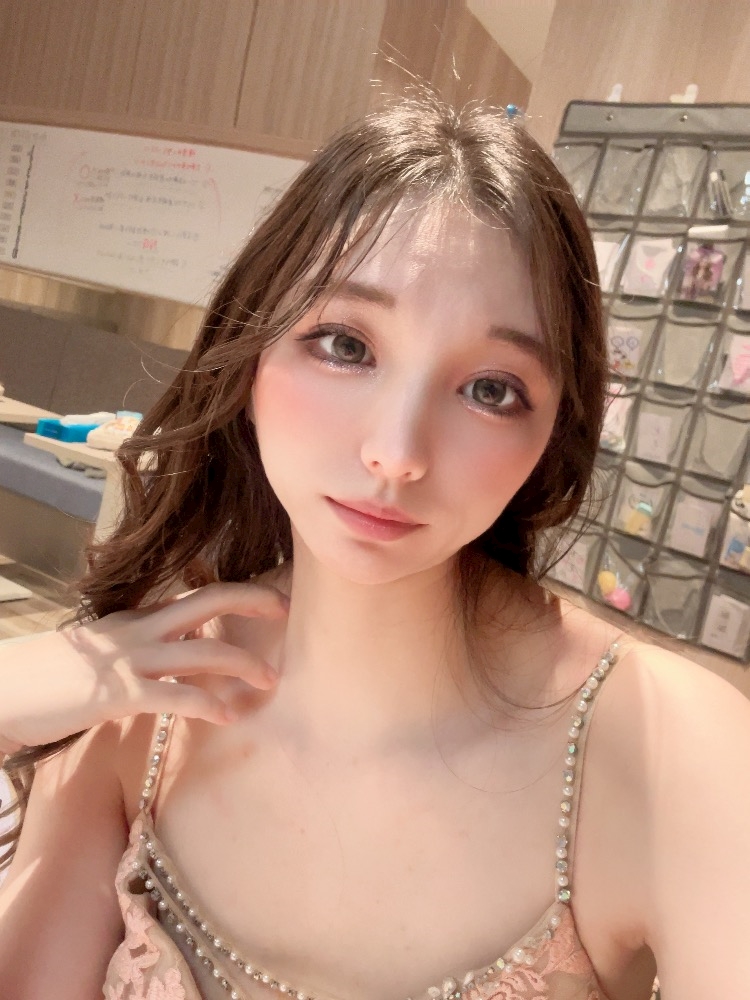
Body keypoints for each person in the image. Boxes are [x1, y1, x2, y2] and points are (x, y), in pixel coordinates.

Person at [0, 92, 748, 1000]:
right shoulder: (139, 705)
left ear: (553, 432)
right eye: (345, 344)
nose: (397, 453)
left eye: (491, 389)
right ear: (249, 352)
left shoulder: (674, 754)